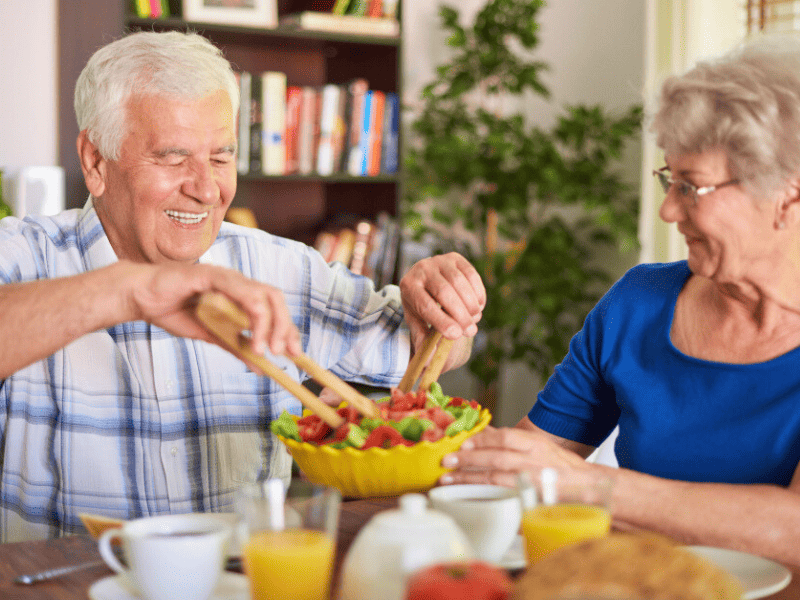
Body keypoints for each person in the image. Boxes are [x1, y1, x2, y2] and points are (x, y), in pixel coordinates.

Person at [0, 31, 486, 542]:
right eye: (172, 157)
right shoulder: (22, 255)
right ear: (95, 161)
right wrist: (127, 290)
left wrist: (444, 306)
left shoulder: (280, 268)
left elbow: (429, 348)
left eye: (220, 157)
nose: (207, 189)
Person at [441, 35, 800, 568]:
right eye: (668, 180)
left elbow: (793, 530)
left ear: (785, 198)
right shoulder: (638, 302)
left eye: (690, 188)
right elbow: (527, 467)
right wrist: (407, 403)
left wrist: (588, 485)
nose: (667, 212)